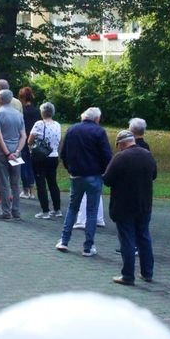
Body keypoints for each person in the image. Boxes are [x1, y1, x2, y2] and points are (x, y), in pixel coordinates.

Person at [56, 107, 113, 256]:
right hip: (94, 175)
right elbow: (107, 155)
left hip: (76, 175)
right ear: (97, 119)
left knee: (72, 208)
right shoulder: (99, 132)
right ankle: (88, 247)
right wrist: (104, 171)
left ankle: (64, 240)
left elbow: (63, 153)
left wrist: (70, 169)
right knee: (92, 211)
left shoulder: (72, 130)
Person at [104, 130, 158, 286]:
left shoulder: (120, 157)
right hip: (144, 204)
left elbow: (107, 180)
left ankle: (127, 275)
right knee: (144, 237)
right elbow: (154, 175)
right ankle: (147, 272)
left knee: (127, 239)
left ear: (121, 143)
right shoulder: (147, 155)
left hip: (124, 205)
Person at [0, 89, 27, 221]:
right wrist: (16, 152)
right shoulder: (19, 115)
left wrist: (7, 153)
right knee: (16, 183)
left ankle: (5, 212)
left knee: (4, 183)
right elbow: (23, 136)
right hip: (17, 152)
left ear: (0, 99)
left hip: (2, 152)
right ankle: (16, 211)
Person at [28, 102, 63, 219]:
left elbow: (30, 140)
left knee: (41, 183)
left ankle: (45, 211)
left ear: (42, 112)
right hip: (53, 156)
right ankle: (57, 209)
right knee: (53, 183)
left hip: (40, 157)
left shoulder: (39, 124)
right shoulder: (57, 124)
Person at [18, 87, 40, 200]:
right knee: (31, 165)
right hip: (33, 140)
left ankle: (25, 190)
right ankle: (32, 190)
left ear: (22, 97)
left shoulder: (21, 111)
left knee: (22, 164)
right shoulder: (37, 111)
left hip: (22, 139)